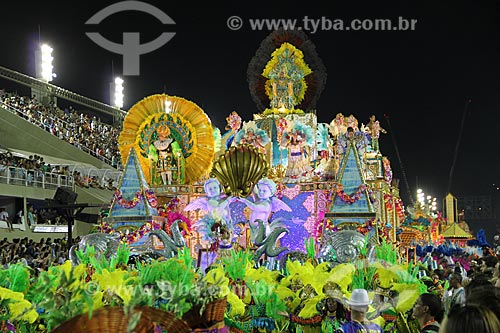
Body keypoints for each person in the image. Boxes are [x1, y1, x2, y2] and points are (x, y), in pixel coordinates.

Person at [238, 178, 291, 243]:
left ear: (271, 193)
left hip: (261, 229)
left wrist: (244, 200)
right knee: (254, 243)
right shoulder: (260, 200)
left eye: (264, 191)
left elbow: (255, 207)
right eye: (260, 190)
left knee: (260, 245)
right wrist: (252, 180)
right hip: (254, 227)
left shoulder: (267, 204)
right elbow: (255, 192)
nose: (261, 192)